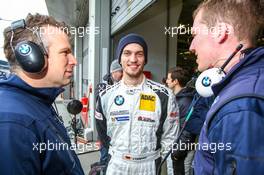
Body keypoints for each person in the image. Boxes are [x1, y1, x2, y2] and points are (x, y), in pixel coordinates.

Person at [0, 14, 84, 174]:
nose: (74, 61)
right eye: (65, 52)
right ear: (33, 57)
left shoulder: (36, 103)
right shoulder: (12, 124)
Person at [189, 0, 264, 174]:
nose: (191, 47)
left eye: (194, 35)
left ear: (220, 32)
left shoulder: (241, 106)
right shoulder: (245, 87)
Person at [95, 33, 179, 175]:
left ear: (145, 59)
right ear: (120, 59)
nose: (133, 59)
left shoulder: (164, 95)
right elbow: (103, 135)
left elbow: (170, 139)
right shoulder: (106, 96)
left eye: (139, 54)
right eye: (127, 53)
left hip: (149, 166)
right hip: (117, 165)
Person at [166, 67, 196, 175]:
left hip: (182, 152)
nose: (166, 81)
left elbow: (188, 130)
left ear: (175, 82)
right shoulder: (177, 98)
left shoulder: (185, 101)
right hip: (177, 150)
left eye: (169, 79)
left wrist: (177, 152)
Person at [94, 59, 123, 167]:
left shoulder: (125, 86)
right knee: (105, 160)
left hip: (119, 135)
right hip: (104, 134)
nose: (123, 74)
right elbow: (100, 107)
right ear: (113, 72)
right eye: (120, 71)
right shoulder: (102, 86)